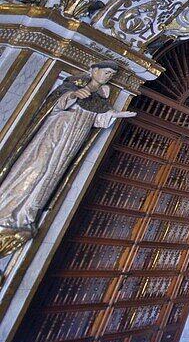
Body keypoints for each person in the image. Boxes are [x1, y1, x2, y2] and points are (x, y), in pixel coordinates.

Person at [0, 62, 136, 248]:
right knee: (36, 166)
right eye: (106, 72)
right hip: (56, 132)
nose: (108, 76)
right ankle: (8, 209)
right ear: (93, 70)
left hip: (72, 141)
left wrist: (114, 115)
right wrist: (72, 95)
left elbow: (97, 118)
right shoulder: (74, 84)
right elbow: (54, 104)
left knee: (52, 174)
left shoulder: (102, 97)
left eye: (111, 74)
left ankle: (26, 215)